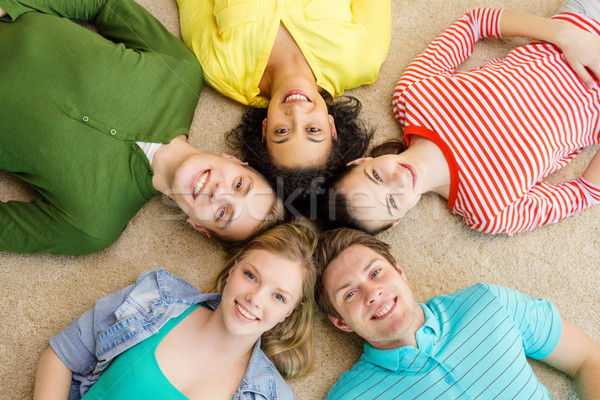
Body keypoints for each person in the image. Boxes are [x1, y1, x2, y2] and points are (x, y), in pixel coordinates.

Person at [0, 0, 282, 256]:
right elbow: (103, 4)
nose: (219, 192)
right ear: (234, 161)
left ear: (199, 226)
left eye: (222, 212)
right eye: (239, 184)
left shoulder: (93, 226)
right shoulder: (180, 71)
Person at [327, 1, 600, 235]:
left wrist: (566, 35)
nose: (397, 181)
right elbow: (585, 192)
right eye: (391, 203)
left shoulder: (411, 97)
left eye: (375, 176)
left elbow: (476, 23)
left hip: (584, 21)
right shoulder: (488, 212)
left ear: (362, 161)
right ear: (395, 222)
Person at [33, 222, 316, 399]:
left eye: (278, 297)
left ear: (287, 313)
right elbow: (63, 354)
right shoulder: (155, 296)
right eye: (251, 276)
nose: (255, 298)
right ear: (232, 270)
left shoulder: (272, 396)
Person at [313, 227, 600, 399]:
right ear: (340, 322)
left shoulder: (488, 302)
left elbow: (588, 359)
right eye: (349, 294)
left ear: (401, 273)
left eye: (376, 272)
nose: (373, 292)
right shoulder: (351, 396)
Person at [175, 0, 389, 215]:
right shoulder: (363, 59)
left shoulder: (219, 70)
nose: (296, 112)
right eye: (313, 129)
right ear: (331, 127)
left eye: (282, 131)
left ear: (265, 129)